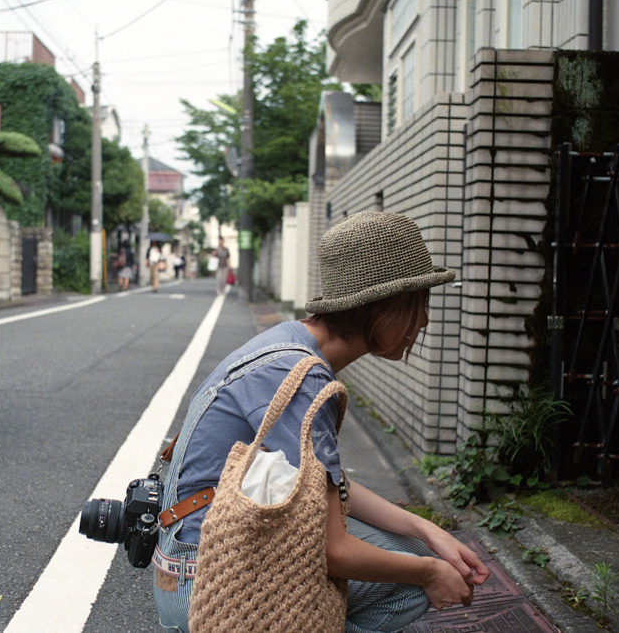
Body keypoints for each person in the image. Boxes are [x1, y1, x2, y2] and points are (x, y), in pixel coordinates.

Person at [153, 211, 489, 633]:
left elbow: (329, 481)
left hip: (185, 558)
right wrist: (428, 572)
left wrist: (427, 530)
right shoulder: (303, 379)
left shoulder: (288, 341)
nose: (424, 320)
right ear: (381, 306)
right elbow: (334, 551)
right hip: (208, 585)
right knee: (412, 579)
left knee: (414, 551)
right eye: (418, 303)